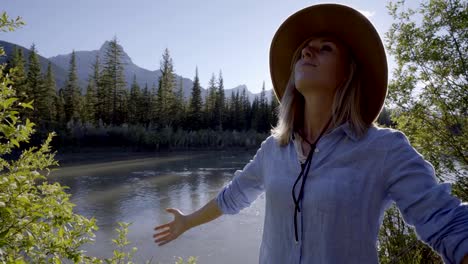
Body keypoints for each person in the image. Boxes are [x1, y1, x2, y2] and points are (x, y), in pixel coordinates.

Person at [153, 3, 468, 264]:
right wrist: (186, 222)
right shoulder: (273, 150)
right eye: (304, 50)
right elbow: (232, 197)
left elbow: (447, 223)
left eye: (324, 48)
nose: (307, 53)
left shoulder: (385, 149)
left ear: (348, 73)